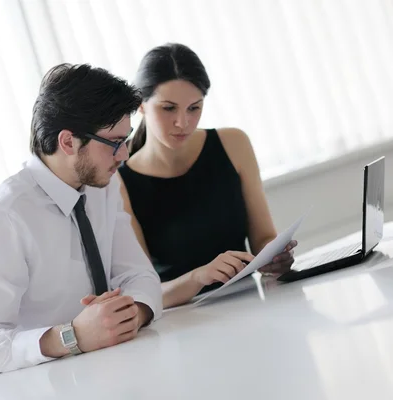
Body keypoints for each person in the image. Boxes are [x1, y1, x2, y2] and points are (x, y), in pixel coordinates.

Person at [0, 63, 162, 382]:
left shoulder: (102, 187)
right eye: (115, 143)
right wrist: (71, 336)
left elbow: (139, 274)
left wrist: (131, 315)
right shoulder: (2, 218)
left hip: (111, 375)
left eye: (127, 140)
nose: (124, 156)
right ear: (68, 142)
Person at [118, 43, 297, 309]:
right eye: (168, 108)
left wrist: (274, 255)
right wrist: (199, 277)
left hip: (252, 303)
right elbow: (145, 293)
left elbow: (262, 239)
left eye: (194, 108)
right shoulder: (120, 181)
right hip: (182, 321)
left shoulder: (234, 143)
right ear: (141, 106)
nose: (183, 122)